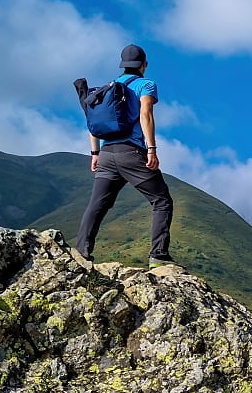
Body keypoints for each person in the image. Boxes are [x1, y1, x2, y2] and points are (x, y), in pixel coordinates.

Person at [75, 43, 176, 267]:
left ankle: (81, 252)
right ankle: (158, 256)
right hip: (132, 153)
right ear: (144, 65)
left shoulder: (105, 89)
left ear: (123, 65)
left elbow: (94, 123)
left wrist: (95, 153)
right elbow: (145, 114)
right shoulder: (146, 85)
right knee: (161, 200)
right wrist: (151, 149)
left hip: (107, 155)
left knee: (97, 205)